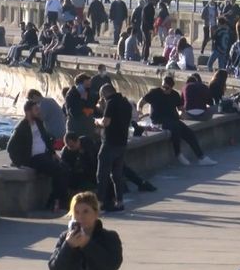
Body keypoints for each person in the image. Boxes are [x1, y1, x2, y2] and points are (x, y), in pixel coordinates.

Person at [138, 76, 217, 166]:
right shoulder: (155, 92)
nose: (164, 89)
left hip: (172, 119)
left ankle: (201, 157)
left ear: (171, 88)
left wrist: (183, 113)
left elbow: (180, 108)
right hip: (158, 120)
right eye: (163, 86)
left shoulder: (174, 95)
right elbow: (141, 101)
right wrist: (139, 109)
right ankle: (178, 153)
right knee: (175, 127)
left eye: (167, 88)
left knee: (189, 133)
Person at [6, 101, 69, 210]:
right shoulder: (22, 127)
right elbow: (10, 147)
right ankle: (55, 201)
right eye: (36, 110)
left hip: (45, 155)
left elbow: (45, 139)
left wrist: (53, 153)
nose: (39, 111)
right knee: (58, 171)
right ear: (28, 112)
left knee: (65, 167)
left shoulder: (39, 122)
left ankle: (57, 199)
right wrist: (19, 163)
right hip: (34, 159)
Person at [94, 84, 132, 212]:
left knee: (102, 174)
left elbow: (106, 122)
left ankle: (98, 203)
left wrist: (96, 121)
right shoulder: (125, 102)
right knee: (117, 175)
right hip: (122, 143)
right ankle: (119, 202)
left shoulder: (111, 102)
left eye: (102, 96)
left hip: (109, 143)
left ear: (104, 94)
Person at [65, 73, 97, 138]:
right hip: (76, 128)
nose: (89, 83)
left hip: (87, 127)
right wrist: (82, 100)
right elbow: (74, 112)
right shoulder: (72, 94)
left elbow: (91, 107)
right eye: (87, 82)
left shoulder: (88, 92)